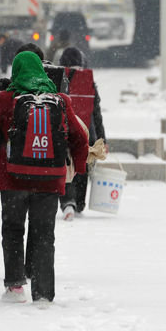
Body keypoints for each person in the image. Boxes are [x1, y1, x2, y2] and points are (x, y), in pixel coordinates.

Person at [0, 51, 89, 305]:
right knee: (44, 234)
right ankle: (44, 293)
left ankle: (15, 287)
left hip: (13, 179)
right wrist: (78, 168)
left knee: (13, 230)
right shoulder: (60, 100)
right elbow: (80, 138)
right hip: (50, 180)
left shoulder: (5, 99)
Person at [57, 46, 106, 219]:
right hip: (86, 133)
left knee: (66, 166)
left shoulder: (59, 78)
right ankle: (79, 202)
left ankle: (67, 202)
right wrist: (102, 139)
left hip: (65, 131)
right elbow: (96, 113)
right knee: (82, 166)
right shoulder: (88, 81)